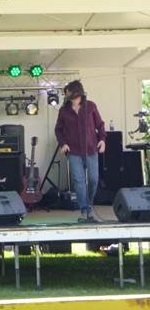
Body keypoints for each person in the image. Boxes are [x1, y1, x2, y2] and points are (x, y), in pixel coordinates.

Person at [54, 80, 106, 223]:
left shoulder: (91, 106)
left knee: (94, 179)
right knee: (79, 181)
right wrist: (63, 143)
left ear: (75, 91)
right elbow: (58, 130)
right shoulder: (63, 111)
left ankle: (89, 204)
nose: (65, 94)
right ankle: (85, 209)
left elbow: (100, 125)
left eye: (67, 92)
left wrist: (102, 140)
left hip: (91, 149)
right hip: (73, 151)